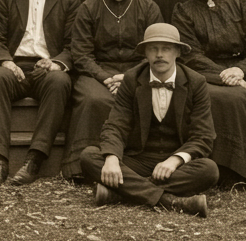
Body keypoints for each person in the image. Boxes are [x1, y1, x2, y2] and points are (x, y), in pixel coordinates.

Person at [80, 22, 218, 218]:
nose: (159, 54)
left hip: (174, 161)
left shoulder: (196, 82)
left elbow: (204, 136)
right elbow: (115, 125)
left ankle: (122, 191)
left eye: (166, 49)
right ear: (145, 53)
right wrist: (111, 158)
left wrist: (175, 160)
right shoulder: (132, 78)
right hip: (139, 157)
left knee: (209, 170)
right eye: (153, 49)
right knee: (89, 156)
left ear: (178, 52)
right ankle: (171, 201)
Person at [0, 0, 79, 187]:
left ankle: (34, 159)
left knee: (60, 81)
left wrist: (57, 62)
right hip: (15, 65)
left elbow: (74, 45)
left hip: (48, 68)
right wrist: (5, 61)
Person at [62, 0, 163, 178]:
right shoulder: (88, 8)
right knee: (94, 98)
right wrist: (106, 78)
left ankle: (134, 162)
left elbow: (155, 51)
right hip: (97, 72)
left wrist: (127, 77)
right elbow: (81, 54)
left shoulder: (149, 8)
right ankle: (82, 165)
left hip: (137, 71)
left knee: (140, 96)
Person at [171, 0, 246, 185]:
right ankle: (217, 170)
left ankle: (244, 171)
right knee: (221, 98)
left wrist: (240, 71)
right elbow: (191, 55)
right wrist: (224, 76)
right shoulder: (183, 11)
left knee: (239, 98)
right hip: (204, 75)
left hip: (244, 74)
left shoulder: (241, 4)